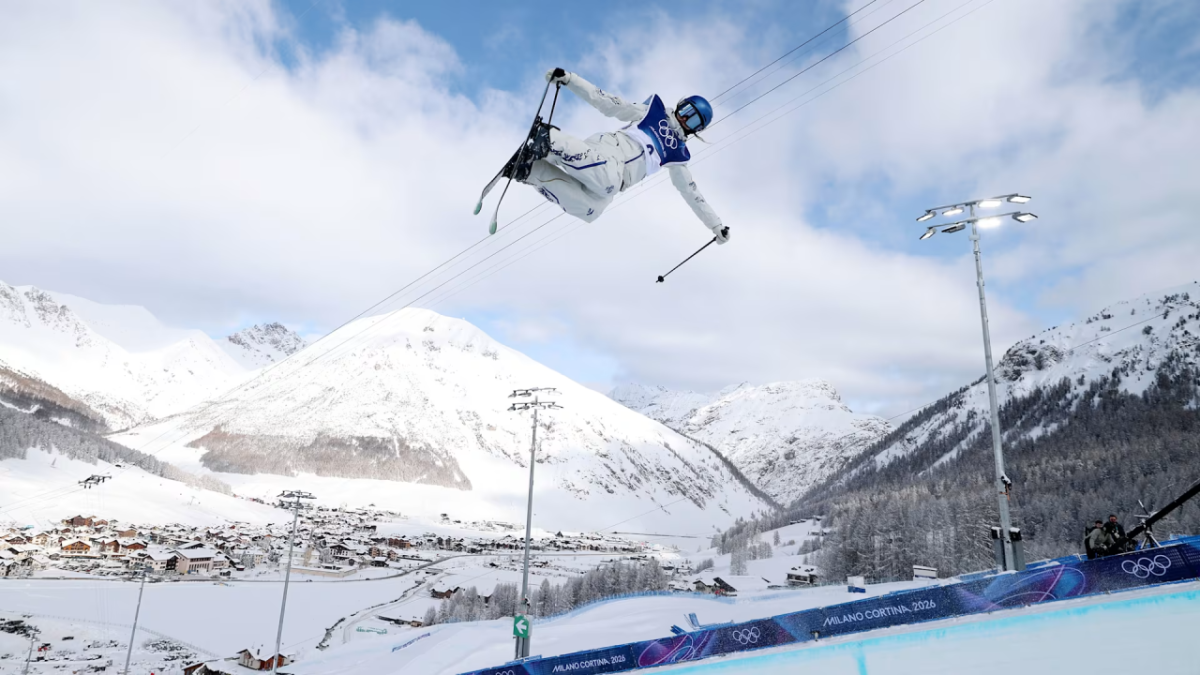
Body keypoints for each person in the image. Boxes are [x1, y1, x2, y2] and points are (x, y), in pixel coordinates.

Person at [504, 67, 730, 244]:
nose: (684, 119)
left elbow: (692, 194)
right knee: (609, 183)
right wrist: (571, 80)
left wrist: (716, 226)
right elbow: (608, 102)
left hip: (616, 180)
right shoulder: (653, 112)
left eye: (693, 120)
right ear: (680, 105)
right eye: (686, 111)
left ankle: (530, 170)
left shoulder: (678, 156)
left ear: (696, 130)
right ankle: (549, 140)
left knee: (592, 210)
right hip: (610, 152)